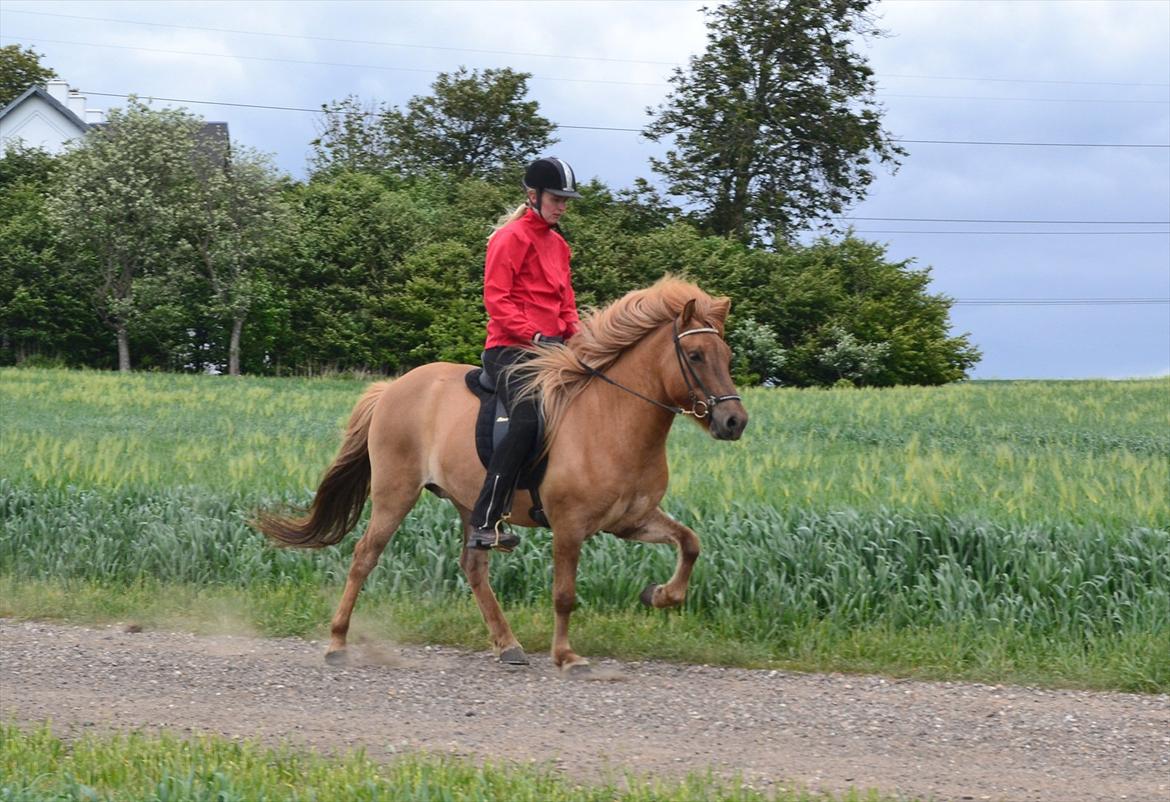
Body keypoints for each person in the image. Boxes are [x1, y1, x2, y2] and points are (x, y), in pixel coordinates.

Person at [467, 157, 582, 551]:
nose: (562, 206)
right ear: (533, 196)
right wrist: (534, 334)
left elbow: (567, 306)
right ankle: (485, 521)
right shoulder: (510, 238)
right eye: (556, 198)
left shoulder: (560, 245)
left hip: (550, 352)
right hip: (509, 350)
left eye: (566, 200)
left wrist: (579, 341)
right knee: (528, 420)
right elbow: (496, 299)